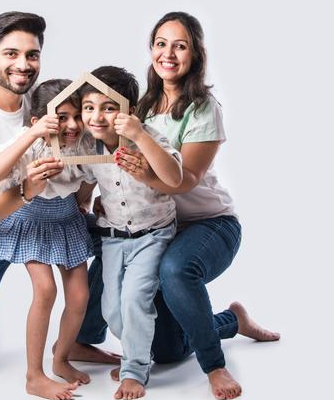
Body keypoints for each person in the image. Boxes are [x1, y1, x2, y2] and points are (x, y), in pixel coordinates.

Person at [113, 12, 281, 399]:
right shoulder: (140, 106)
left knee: (176, 271)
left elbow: (186, 179)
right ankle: (232, 320)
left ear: (195, 54)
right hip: (160, 227)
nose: (168, 54)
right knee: (168, 350)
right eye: (161, 44)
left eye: (180, 46)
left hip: (209, 224)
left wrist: (145, 172)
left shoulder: (203, 107)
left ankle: (215, 365)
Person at [0, 11, 115, 383]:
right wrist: (26, 190)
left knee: (118, 241)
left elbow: (88, 162)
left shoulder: (47, 100)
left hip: (59, 217)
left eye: (31, 55)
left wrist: (90, 199)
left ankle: (74, 344)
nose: (23, 64)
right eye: (10, 53)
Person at [0, 79, 97, 400]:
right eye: (62, 117)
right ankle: (34, 376)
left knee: (79, 295)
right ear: (38, 120)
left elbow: (90, 176)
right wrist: (32, 133)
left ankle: (61, 358)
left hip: (66, 220)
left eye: (77, 116)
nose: (72, 125)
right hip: (31, 220)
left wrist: (85, 201)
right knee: (45, 290)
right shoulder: (29, 142)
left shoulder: (83, 143)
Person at [77, 66, 183, 399]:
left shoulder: (148, 137)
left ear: (130, 111)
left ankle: (134, 370)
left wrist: (139, 136)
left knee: (135, 299)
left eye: (108, 108)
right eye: (89, 107)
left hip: (153, 235)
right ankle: (140, 352)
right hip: (113, 238)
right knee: (112, 309)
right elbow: (87, 186)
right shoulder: (89, 147)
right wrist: (85, 204)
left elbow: (174, 177)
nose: (97, 117)